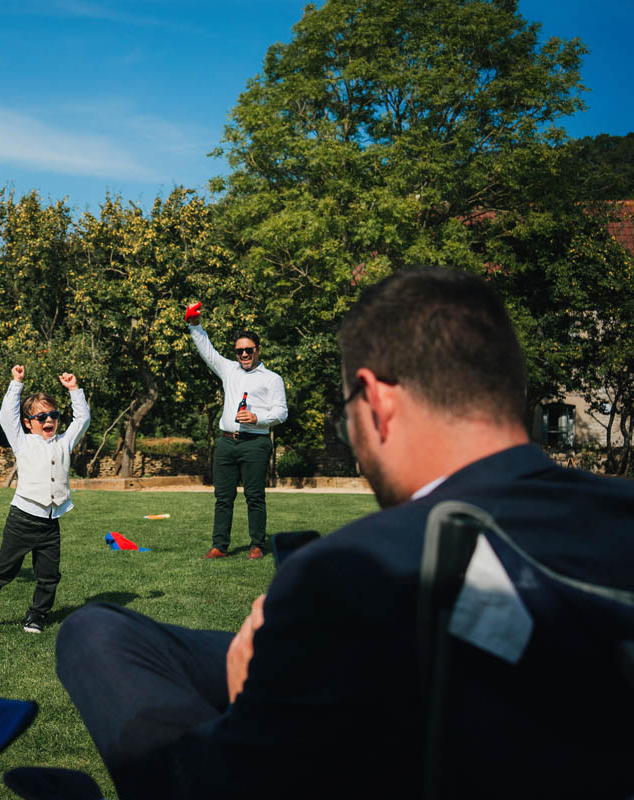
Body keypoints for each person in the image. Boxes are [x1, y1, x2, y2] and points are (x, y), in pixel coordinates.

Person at [56, 269, 634, 799]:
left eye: (347, 412)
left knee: (93, 632)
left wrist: (247, 694)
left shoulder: (357, 567)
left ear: (377, 401)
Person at [0, 366, 90, 635]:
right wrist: (16, 384)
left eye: (54, 416)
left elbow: (82, 419)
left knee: (48, 576)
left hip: (50, 523)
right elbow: (5, 416)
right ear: (28, 422)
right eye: (41, 416)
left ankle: (36, 615)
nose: (49, 421)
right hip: (22, 519)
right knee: (3, 569)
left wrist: (73, 390)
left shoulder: (64, 442)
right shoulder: (22, 442)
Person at [187, 311, 287, 560]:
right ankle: (219, 546)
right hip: (226, 443)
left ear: (258, 350)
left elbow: (282, 412)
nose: (244, 354)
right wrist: (195, 324)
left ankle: (256, 545)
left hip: (255, 443)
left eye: (248, 350)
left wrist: (257, 419)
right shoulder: (229, 370)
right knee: (223, 497)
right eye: (239, 351)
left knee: (254, 496)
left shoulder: (272, 379)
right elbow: (207, 350)